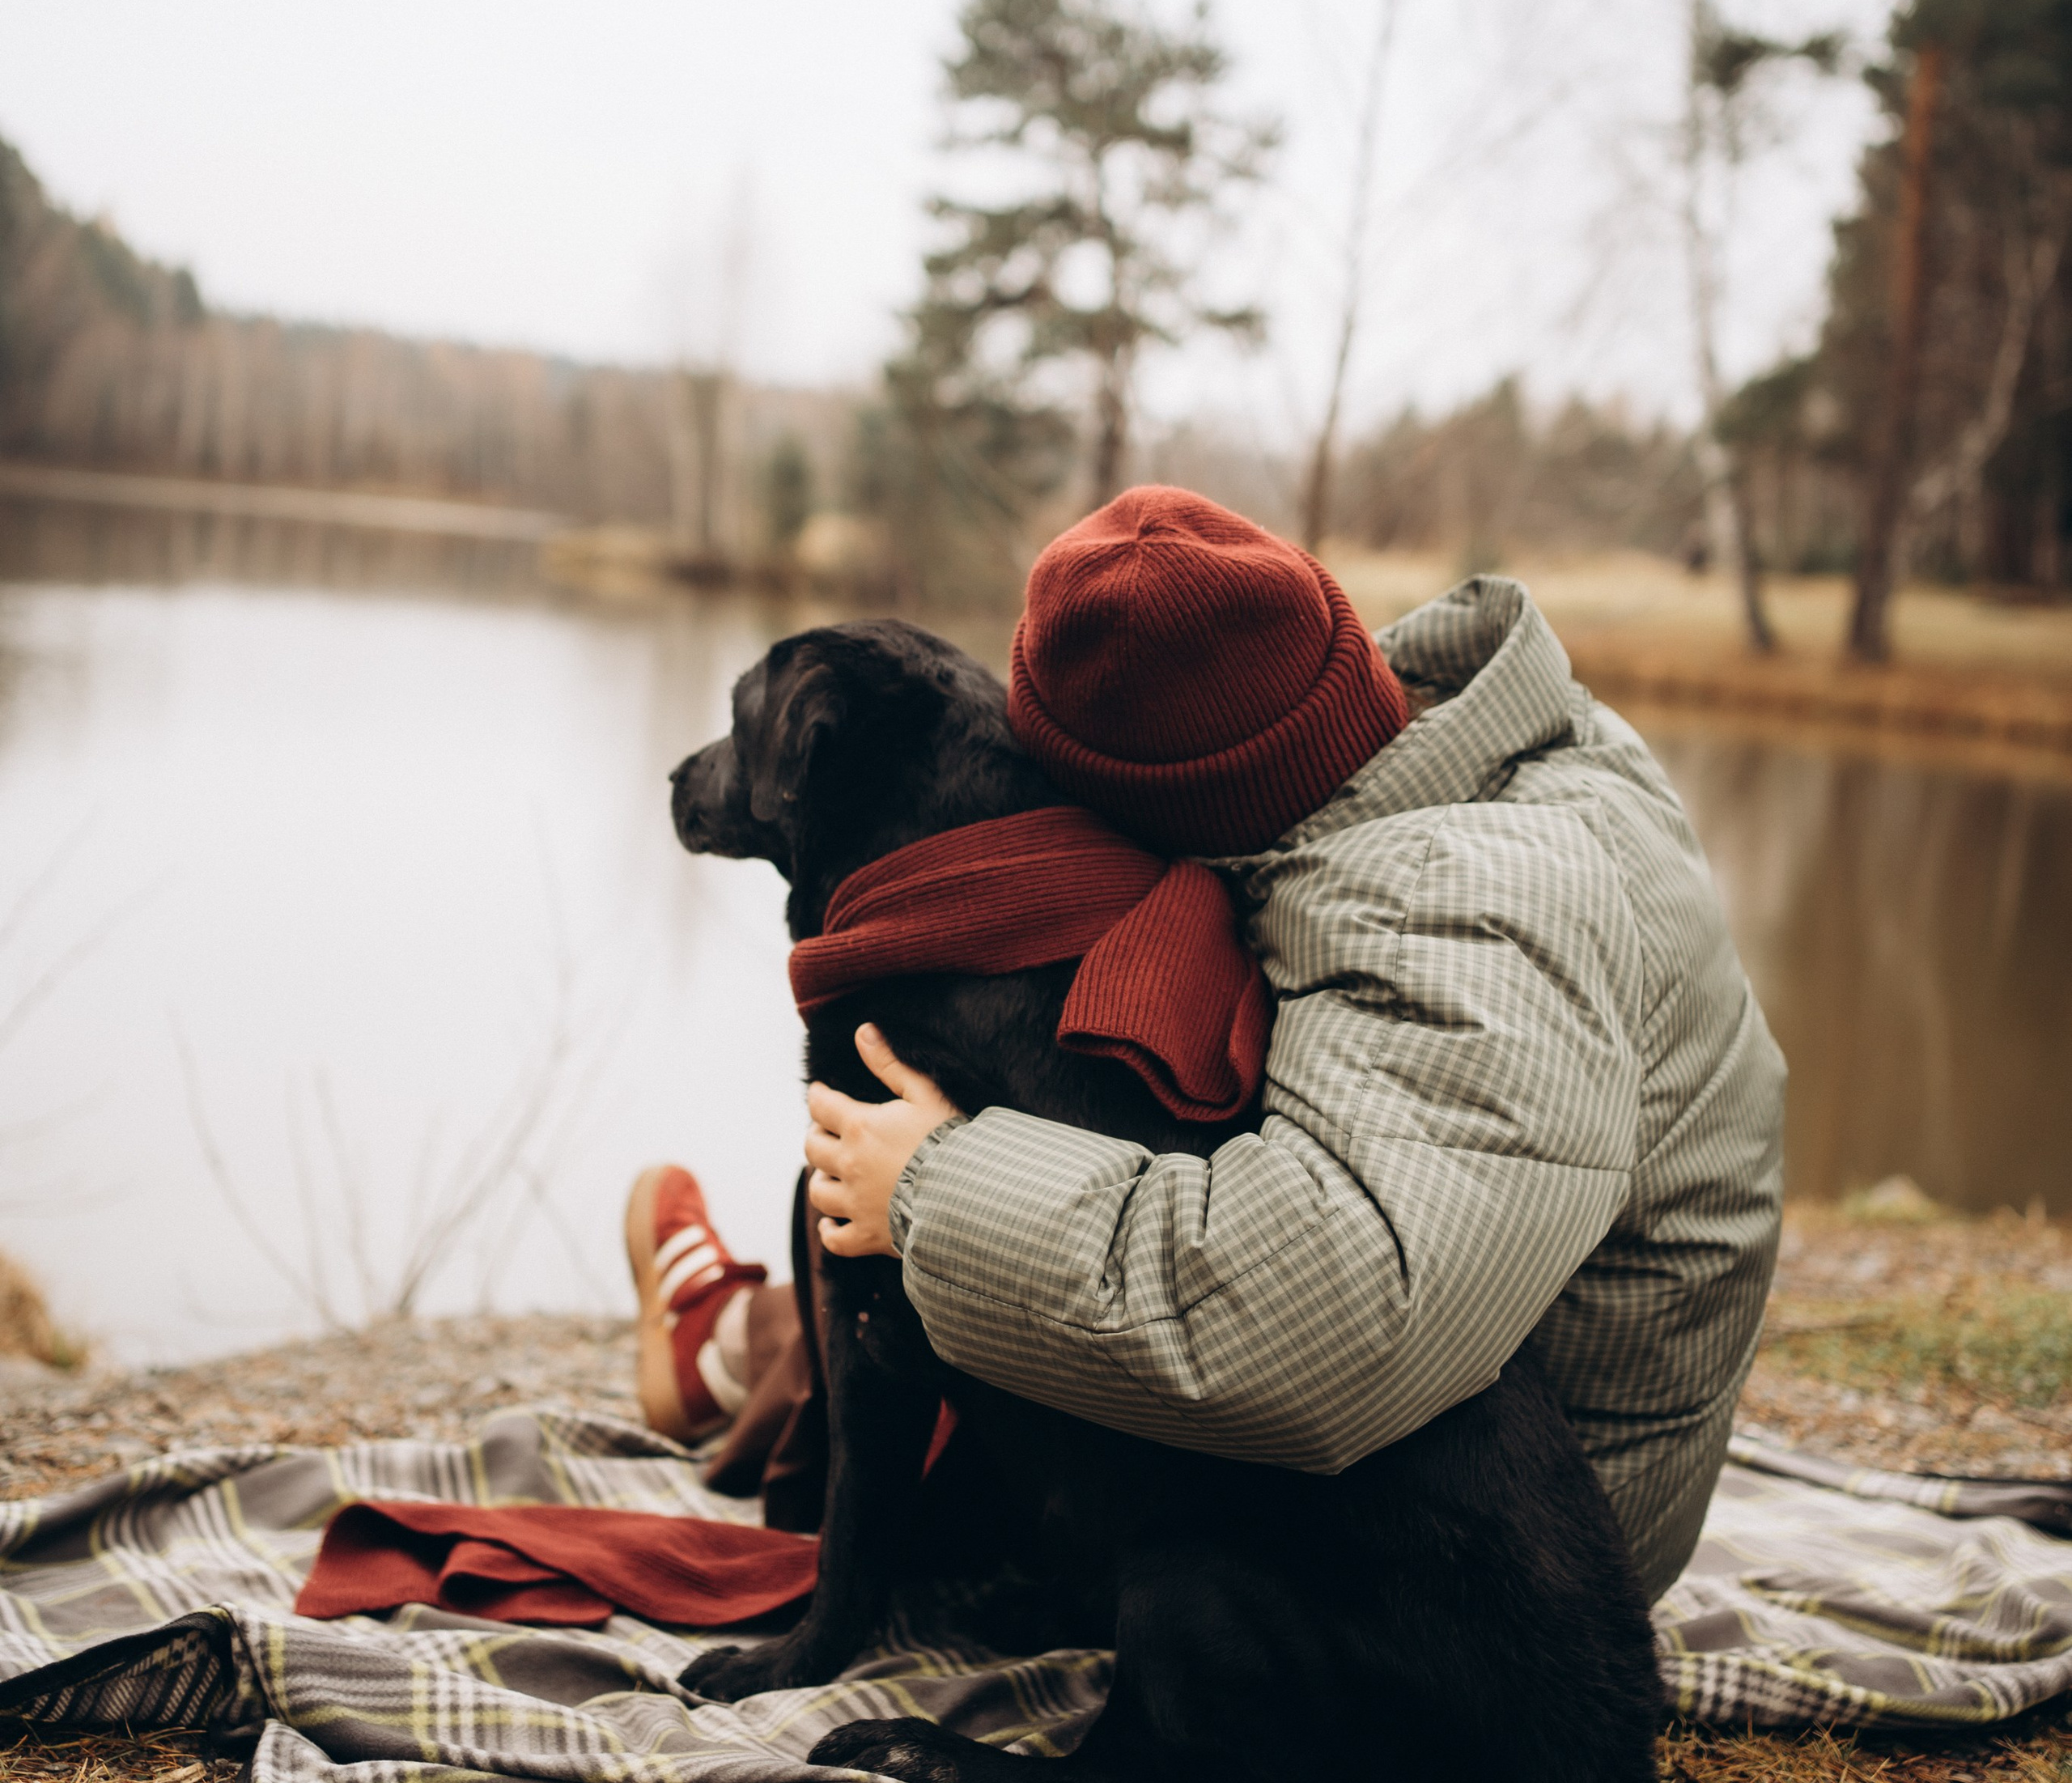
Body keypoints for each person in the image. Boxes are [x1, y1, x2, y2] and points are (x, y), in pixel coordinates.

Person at [630, 487, 1785, 1603]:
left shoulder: (1474, 913)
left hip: (1482, 1575)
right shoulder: (1464, 753)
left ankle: (727, 1347)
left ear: (1181, 807)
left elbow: (1331, 1325)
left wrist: (939, 1184)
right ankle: (736, 1344)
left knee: (915, 1209)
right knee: (882, 1214)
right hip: (1465, 1402)